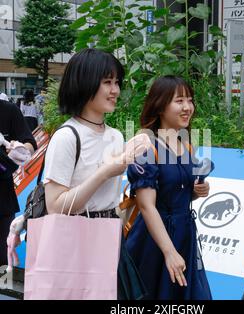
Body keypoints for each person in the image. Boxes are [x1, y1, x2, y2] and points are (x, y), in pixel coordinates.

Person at [43, 48, 147, 300]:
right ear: (85, 82)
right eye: (107, 82)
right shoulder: (67, 137)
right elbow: (56, 205)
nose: (115, 90)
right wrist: (105, 172)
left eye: (117, 83)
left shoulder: (115, 135)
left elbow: (111, 198)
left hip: (110, 237)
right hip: (77, 242)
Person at [126, 76, 213, 300]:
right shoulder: (146, 146)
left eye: (190, 100)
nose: (187, 107)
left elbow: (178, 191)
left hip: (185, 234)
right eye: (179, 101)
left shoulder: (186, 143)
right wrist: (169, 251)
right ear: (161, 105)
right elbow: (147, 206)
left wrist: (197, 191)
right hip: (154, 241)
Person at [0, 99, 37, 267]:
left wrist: (20, 149)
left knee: (2, 261)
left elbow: (29, 142)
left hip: (3, 201)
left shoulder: (8, 110)